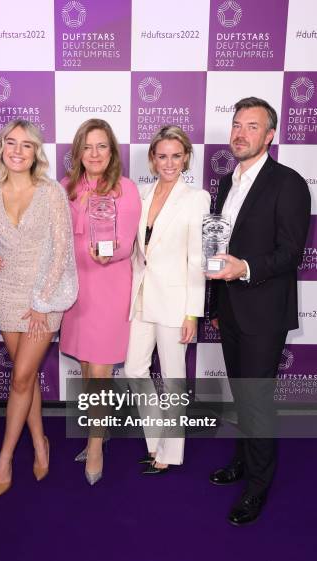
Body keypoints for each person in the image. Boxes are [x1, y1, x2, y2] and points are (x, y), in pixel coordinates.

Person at [207, 97, 311, 526]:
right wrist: (216, 304)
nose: (240, 133)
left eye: (252, 126)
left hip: (263, 312)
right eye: (236, 124)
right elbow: (219, 249)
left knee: (257, 400)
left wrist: (244, 269)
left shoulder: (288, 183)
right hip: (231, 309)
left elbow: (290, 253)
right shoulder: (227, 182)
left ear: (270, 136)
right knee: (241, 395)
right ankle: (243, 461)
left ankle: (257, 487)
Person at [0, 120, 77, 496]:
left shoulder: (51, 192)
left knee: (20, 378)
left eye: (27, 145)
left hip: (43, 297)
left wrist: (42, 301)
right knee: (27, 376)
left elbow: (62, 250)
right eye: (11, 143)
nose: (18, 151)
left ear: (37, 152)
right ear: (2, 148)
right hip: (4, 293)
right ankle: (40, 442)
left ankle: (4, 457)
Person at [124, 126, 210, 474]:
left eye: (176, 155)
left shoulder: (197, 198)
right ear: (152, 159)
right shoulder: (140, 194)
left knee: (173, 376)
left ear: (186, 157)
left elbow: (197, 259)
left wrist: (193, 313)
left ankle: (170, 452)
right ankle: (156, 437)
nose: (169, 162)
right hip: (141, 296)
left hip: (176, 302)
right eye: (162, 156)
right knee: (133, 368)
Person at [59, 118, 141, 485]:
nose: (94, 154)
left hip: (109, 285)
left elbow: (128, 240)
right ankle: (100, 429)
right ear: (78, 152)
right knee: (86, 366)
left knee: (101, 372)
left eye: (102, 146)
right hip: (77, 290)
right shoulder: (65, 188)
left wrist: (113, 253)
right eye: (87, 147)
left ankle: (94, 445)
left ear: (112, 152)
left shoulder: (126, 189)